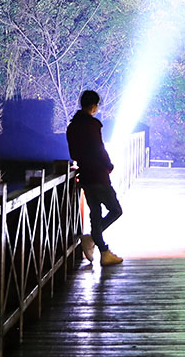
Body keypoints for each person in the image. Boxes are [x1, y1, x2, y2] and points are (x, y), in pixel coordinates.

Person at [65, 90, 123, 265]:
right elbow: (99, 148)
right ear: (93, 106)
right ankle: (94, 241)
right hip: (98, 174)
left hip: (85, 175)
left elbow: (73, 153)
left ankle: (101, 249)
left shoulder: (72, 126)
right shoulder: (92, 125)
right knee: (115, 210)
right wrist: (109, 165)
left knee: (95, 213)